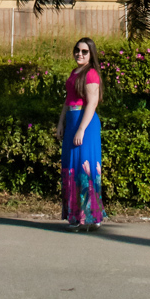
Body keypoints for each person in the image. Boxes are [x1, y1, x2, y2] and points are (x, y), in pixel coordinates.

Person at [56, 37, 107, 228]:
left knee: (84, 167)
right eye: (77, 50)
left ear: (91, 54)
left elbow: (92, 103)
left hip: (85, 124)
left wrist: (81, 129)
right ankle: (77, 215)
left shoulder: (91, 73)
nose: (80, 54)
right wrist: (61, 123)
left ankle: (88, 216)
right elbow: (68, 100)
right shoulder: (74, 72)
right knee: (72, 166)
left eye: (84, 51)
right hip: (72, 122)